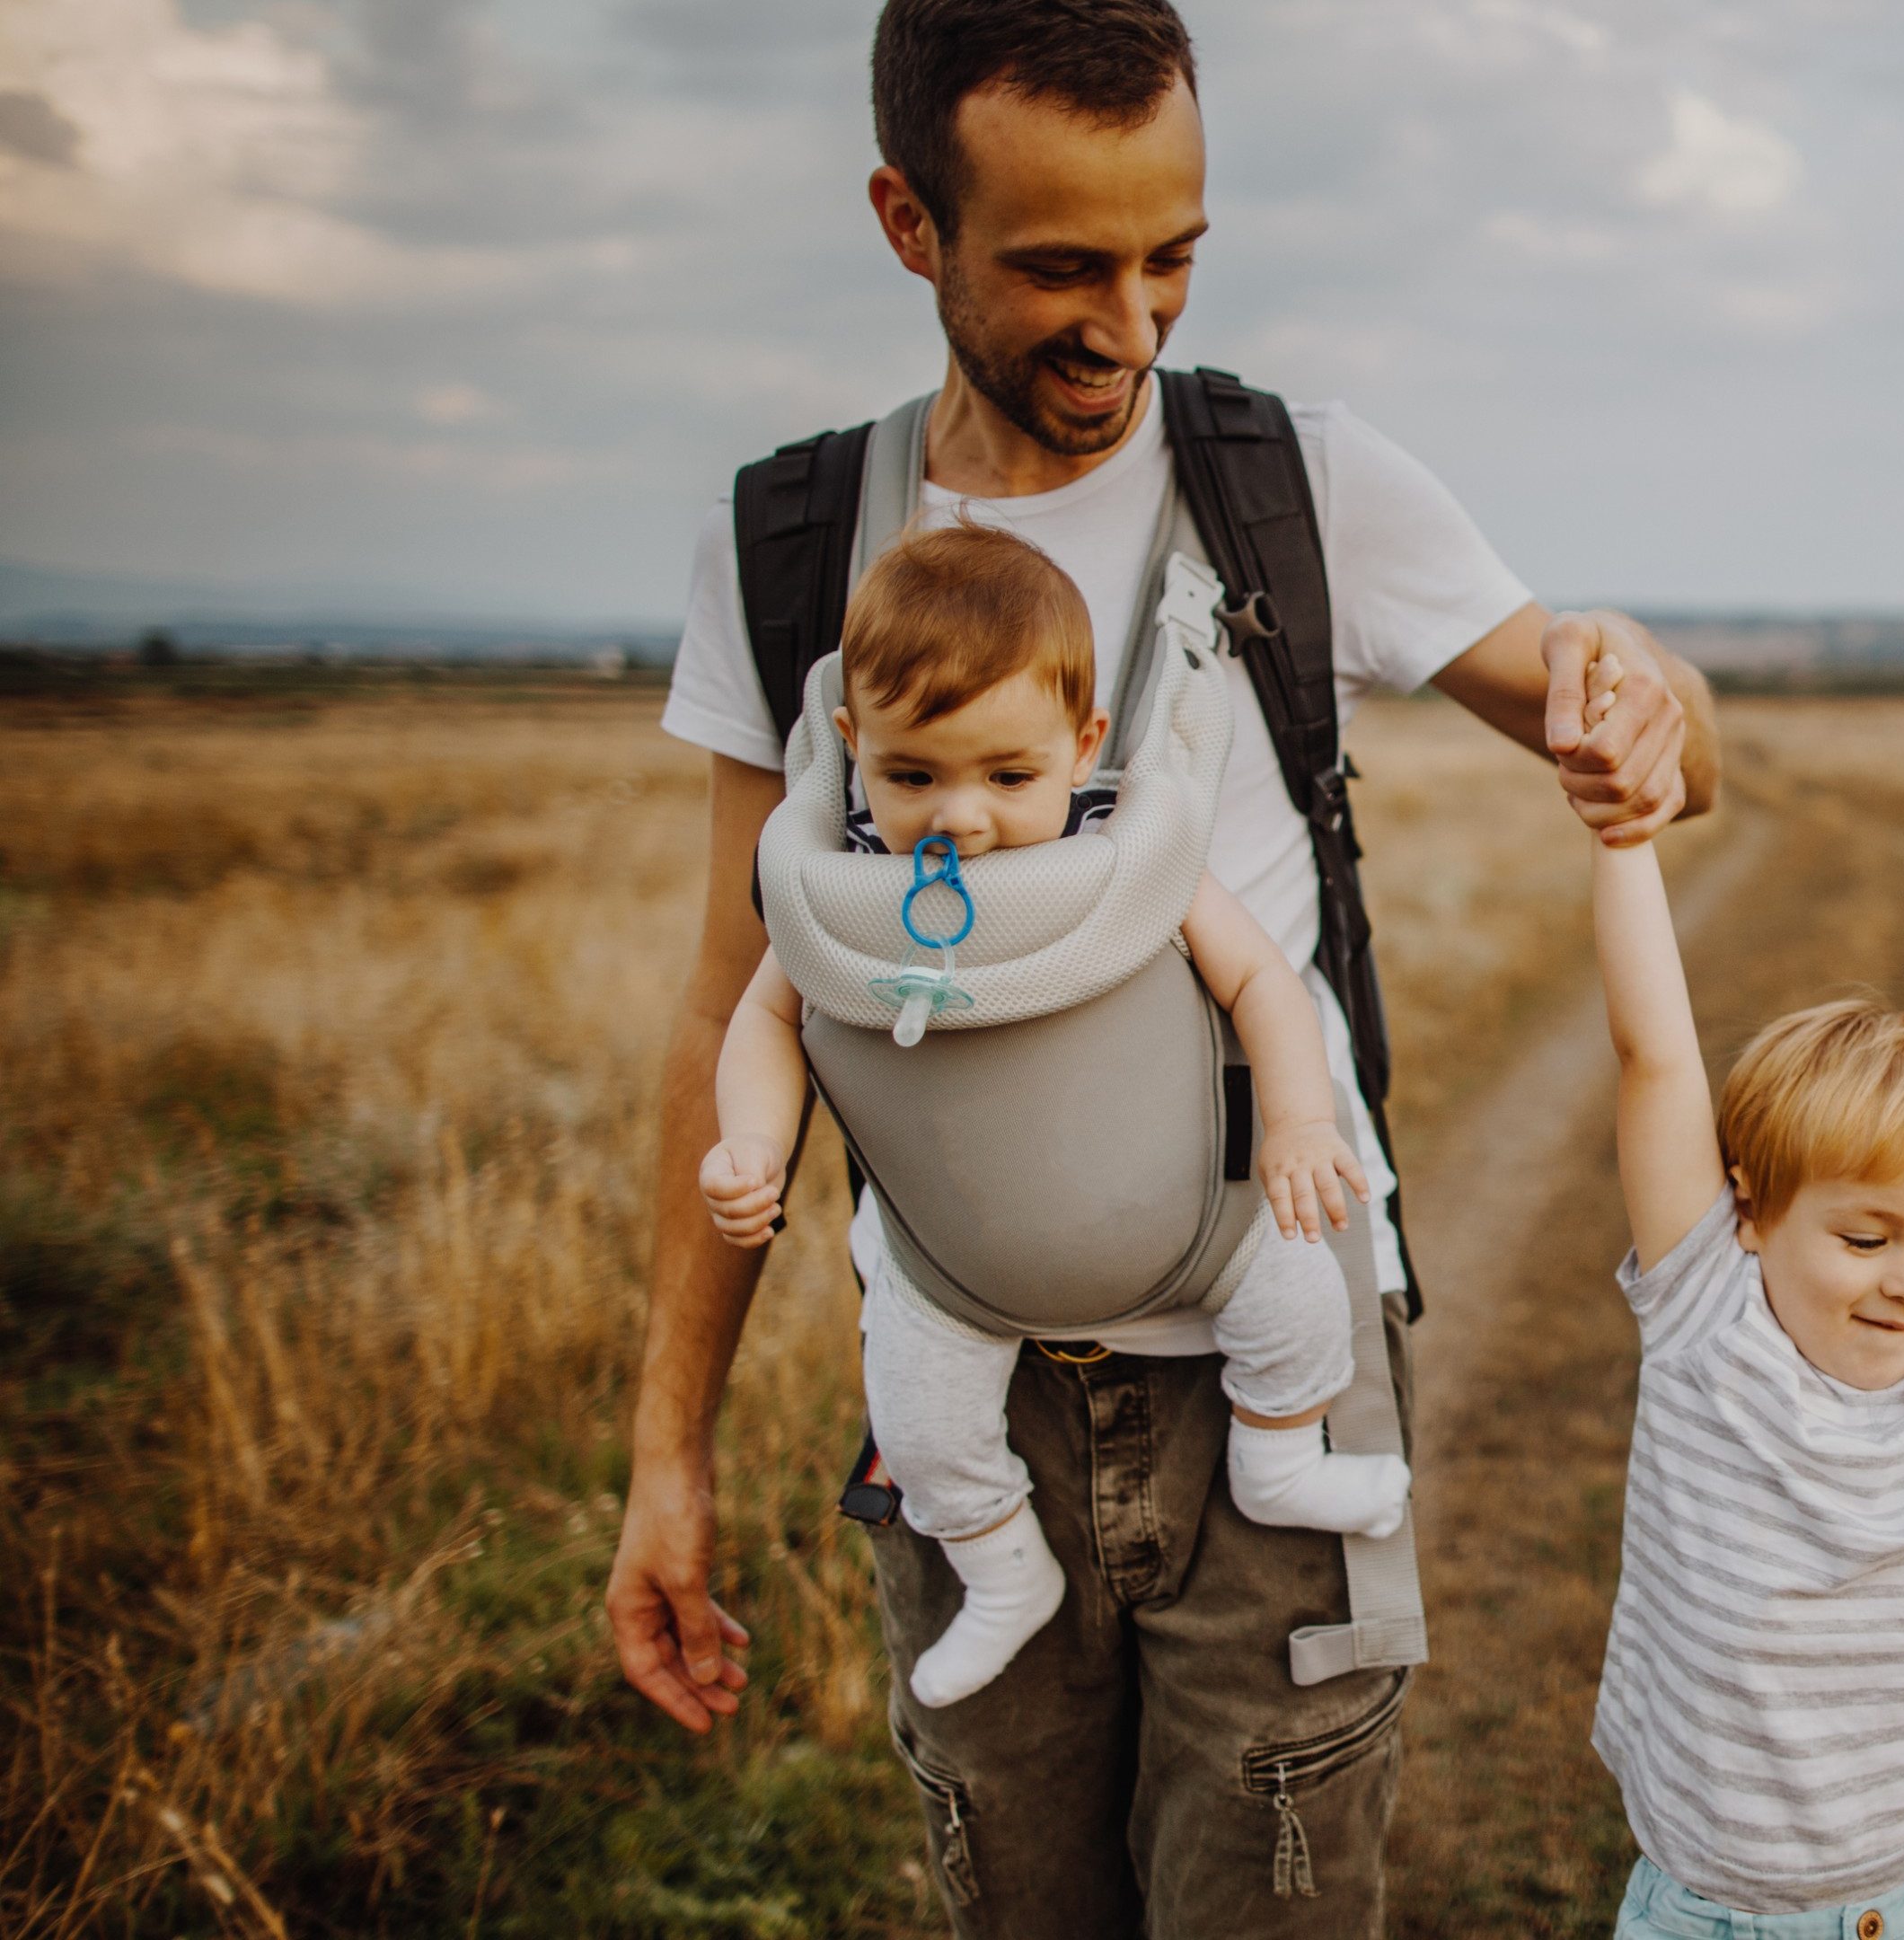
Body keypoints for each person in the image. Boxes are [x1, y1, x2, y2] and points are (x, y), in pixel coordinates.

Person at [602, 2, 1718, 1931]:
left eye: (1173, 257)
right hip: (957, 1395)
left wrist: (1649, 697)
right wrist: (666, 1449)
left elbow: (1649, 742)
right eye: (1060, 266)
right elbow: (732, 996)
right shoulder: (790, 544)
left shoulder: (1304, 483)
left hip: (1276, 1377)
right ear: (906, 221)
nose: (1129, 324)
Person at [699, 524, 1409, 1711]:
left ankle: (1281, 1457)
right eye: (912, 775)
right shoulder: (846, 893)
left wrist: (1294, 1123)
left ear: (1084, 747)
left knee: (1299, 1286)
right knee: (919, 1423)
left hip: (1198, 1227)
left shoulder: (1129, 853)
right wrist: (752, 1147)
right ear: (850, 745)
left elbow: (1260, 982)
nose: (958, 818)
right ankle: (1001, 1570)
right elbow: (765, 1019)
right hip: (955, 1267)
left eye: (1009, 777)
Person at [1581, 654, 1904, 1940]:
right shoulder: (1710, 1315)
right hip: (1716, 1912)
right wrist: (1624, 837)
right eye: (1865, 1236)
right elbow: (1654, 1059)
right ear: (1750, 1211)